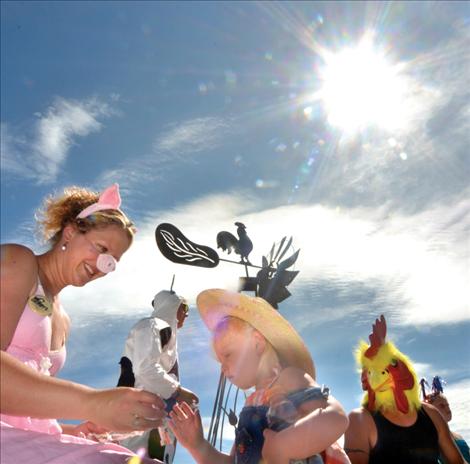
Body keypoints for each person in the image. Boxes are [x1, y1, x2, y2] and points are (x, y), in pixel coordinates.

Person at [0, 183, 166, 464]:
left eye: (112, 262)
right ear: (70, 232)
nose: (103, 265)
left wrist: (71, 430)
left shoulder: (62, 320)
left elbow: (23, 415)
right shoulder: (18, 261)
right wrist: (93, 403)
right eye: (101, 249)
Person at [168, 288, 350, 464]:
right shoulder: (251, 406)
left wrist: (285, 445)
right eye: (220, 361)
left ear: (257, 343)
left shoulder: (289, 378)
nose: (223, 368)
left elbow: (336, 416)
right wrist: (197, 445)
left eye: (228, 355)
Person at [344, 315, 465, 464]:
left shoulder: (431, 414)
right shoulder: (360, 419)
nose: (379, 375)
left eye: (389, 366)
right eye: (372, 371)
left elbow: (458, 462)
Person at [117, 288, 198, 461]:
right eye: (185, 308)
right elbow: (145, 368)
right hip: (138, 412)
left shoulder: (166, 335)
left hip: (154, 417)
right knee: (131, 456)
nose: (187, 314)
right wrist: (178, 391)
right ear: (173, 306)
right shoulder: (152, 326)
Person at [422, 377, 470, 463]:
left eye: (447, 405)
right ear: (431, 411)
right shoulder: (429, 439)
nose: (447, 408)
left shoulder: (458, 436)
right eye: (442, 406)